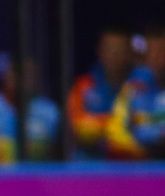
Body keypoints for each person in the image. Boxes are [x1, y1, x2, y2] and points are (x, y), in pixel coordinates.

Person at [0, 60, 60, 163]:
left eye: (29, 74)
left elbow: (56, 156)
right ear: (6, 75)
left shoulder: (49, 112)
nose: (22, 80)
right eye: (17, 73)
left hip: (38, 176)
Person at [67, 26, 134, 159]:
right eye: (109, 49)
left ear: (129, 54)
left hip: (130, 167)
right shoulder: (84, 86)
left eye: (119, 49)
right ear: (100, 51)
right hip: (90, 166)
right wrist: (115, 126)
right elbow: (77, 127)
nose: (114, 54)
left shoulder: (139, 86)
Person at [107, 26, 165, 160]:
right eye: (153, 52)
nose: (159, 59)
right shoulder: (132, 89)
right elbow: (115, 130)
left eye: (162, 51)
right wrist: (140, 152)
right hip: (141, 163)